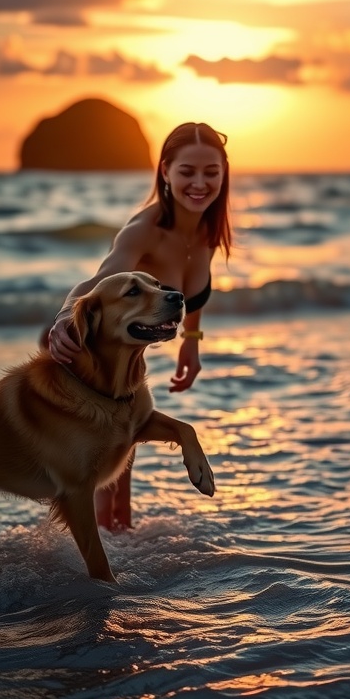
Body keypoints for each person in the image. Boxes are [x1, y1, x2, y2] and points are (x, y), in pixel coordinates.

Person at [47, 121, 231, 531]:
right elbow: (97, 284)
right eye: (187, 172)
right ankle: (89, 581)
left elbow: (193, 295)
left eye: (211, 172)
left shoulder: (207, 229)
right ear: (165, 171)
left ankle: (115, 556)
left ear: (224, 173)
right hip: (81, 351)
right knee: (103, 474)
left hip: (128, 363)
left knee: (123, 456)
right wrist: (63, 320)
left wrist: (192, 342)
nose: (200, 183)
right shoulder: (143, 231)